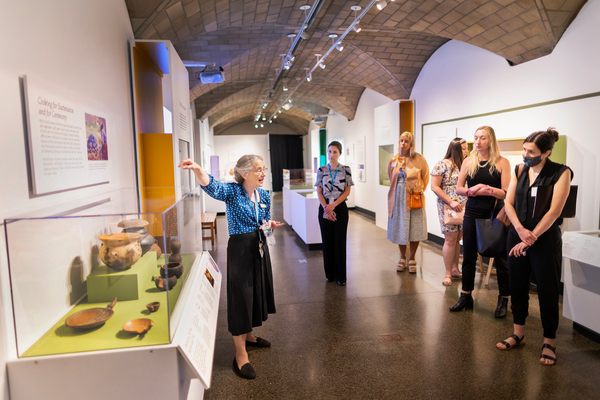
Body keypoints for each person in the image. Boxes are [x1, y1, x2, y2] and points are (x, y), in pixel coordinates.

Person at [179, 155, 284, 380]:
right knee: (240, 298)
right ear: (245, 173)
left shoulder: (263, 194)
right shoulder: (233, 192)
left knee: (255, 293)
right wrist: (197, 169)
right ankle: (240, 354)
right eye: (258, 169)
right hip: (240, 250)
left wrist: (268, 225)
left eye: (263, 168)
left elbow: (263, 220)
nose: (263, 173)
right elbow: (211, 186)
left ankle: (249, 336)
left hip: (259, 248)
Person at [495, 128, 571, 366]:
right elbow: (508, 203)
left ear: (546, 153)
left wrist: (532, 237)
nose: (525, 155)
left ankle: (549, 341)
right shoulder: (520, 169)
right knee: (516, 284)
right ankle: (518, 332)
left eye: (531, 151)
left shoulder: (561, 173)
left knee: (547, 290)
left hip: (544, 240)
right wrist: (519, 231)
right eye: (524, 149)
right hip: (517, 234)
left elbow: (555, 211)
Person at [449, 126, 511, 318]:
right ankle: (466, 295)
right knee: (468, 255)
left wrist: (489, 190)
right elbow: (459, 188)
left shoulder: (502, 162)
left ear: (491, 140)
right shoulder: (469, 161)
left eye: (482, 138)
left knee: (501, 258)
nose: (477, 141)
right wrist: (471, 190)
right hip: (472, 213)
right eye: (475, 138)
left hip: (495, 213)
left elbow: (507, 192)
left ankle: (503, 299)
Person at [387, 131, 429, 273]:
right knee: (401, 226)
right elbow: (390, 177)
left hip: (414, 196)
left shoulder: (419, 159)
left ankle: (412, 257)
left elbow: (425, 177)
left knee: (415, 227)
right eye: (401, 140)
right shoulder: (394, 160)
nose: (403, 143)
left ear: (411, 144)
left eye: (406, 141)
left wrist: (419, 189)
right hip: (398, 196)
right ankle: (402, 257)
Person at [430, 137, 468, 286]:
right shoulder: (441, 164)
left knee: (458, 237)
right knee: (450, 238)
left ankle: (455, 269)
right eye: (464, 148)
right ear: (455, 149)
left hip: (463, 206)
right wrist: (451, 201)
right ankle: (447, 273)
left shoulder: (464, 165)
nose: (467, 151)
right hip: (447, 206)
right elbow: (435, 186)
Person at [315, 141, 354, 286]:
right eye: (330, 151)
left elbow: (347, 191)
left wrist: (334, 205)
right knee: (327, 241)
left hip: (340, 208)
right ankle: (329, 274)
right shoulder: (321, 170)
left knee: (340, 241)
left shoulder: (346, 170)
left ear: (340, 153)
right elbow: (318, 191)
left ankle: (340, 276)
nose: (332, 155)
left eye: (335, 152)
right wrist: (326, 207)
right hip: (324, 207)